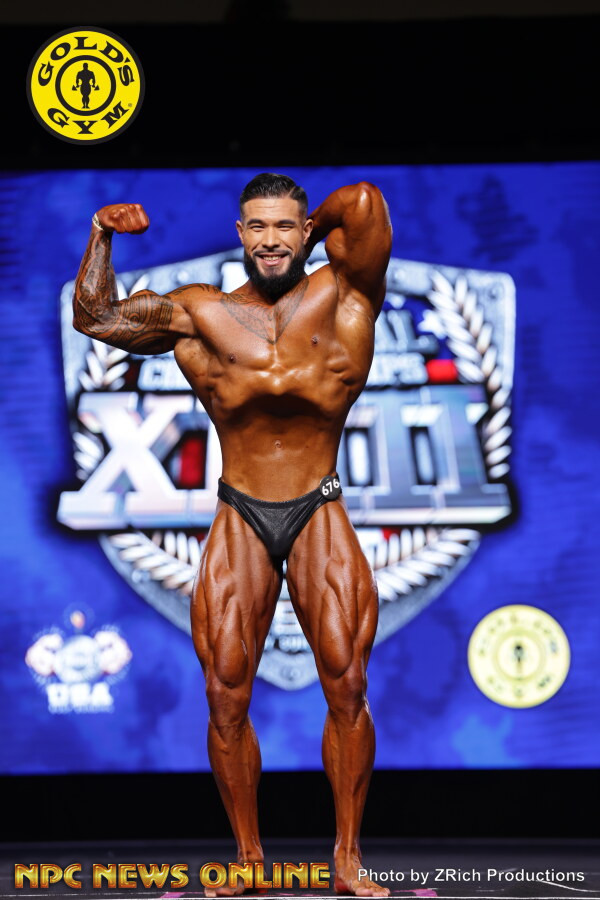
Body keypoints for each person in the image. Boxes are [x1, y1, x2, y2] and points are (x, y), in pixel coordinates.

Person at [72, 174, 392, 897]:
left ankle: (347, 859)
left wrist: (311, 229)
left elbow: (365, 201)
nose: (270, 241)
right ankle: (248, 859)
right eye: (257, 227)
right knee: (224, 694)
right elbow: (96, 318)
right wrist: (101, 233)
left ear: (306, 231)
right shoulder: (201, 312)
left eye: (284, 227)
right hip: (241, 509)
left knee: (347, 684)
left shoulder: (346, 294)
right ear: (239, 233)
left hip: (318, 505)